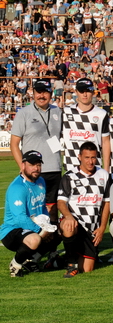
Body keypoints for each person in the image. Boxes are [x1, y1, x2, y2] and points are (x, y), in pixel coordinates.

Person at [10, 80, 63, 222]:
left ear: (51, 94)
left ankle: (51, 236)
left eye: (45, 92)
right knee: (33, 210)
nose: (41, 95)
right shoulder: (24, 113)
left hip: (54, 169)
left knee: (53, 211)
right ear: (33, 94)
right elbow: (14, 144)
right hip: (33, 171)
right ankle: (32, 236)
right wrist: (23, 167)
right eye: (38, 92)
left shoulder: (58, 112)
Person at [57, 142, 110, 278]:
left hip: (91, 229)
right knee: (68, 225)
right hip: (75, 223)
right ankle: (71, 265)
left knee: (87, 269)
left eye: (93, 157)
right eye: (87, 157)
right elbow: (61, 203)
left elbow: (106, 204)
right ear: (79, 157)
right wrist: (68, 216)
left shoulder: (104, 175)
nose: (90, 162)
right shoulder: (70, 176)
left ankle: (58, 261)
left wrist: (102, 227)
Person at [0, 151, 57, 277]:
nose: (36, 168)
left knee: (58, 231)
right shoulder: (17, 187)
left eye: (38, 165)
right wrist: (40, 230)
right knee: (35, 239)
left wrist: (47, 225)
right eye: (32, 165)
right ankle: (15, 264)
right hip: (12, 230)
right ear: (23, 165)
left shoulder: (41, 181)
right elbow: (19, 218)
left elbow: (42, 207)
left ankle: (31, 261)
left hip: (33, 225)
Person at [62, 77, 111, 173]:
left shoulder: (102, 114)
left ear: (93, 92)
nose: (85, 94)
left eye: (88, 91)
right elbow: (53, 135)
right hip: (71, 167)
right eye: (81, 91)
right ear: (76, 92)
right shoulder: (66, 112)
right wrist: (56, 158)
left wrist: (106, 170)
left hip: (94, 168)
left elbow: (105, 142)